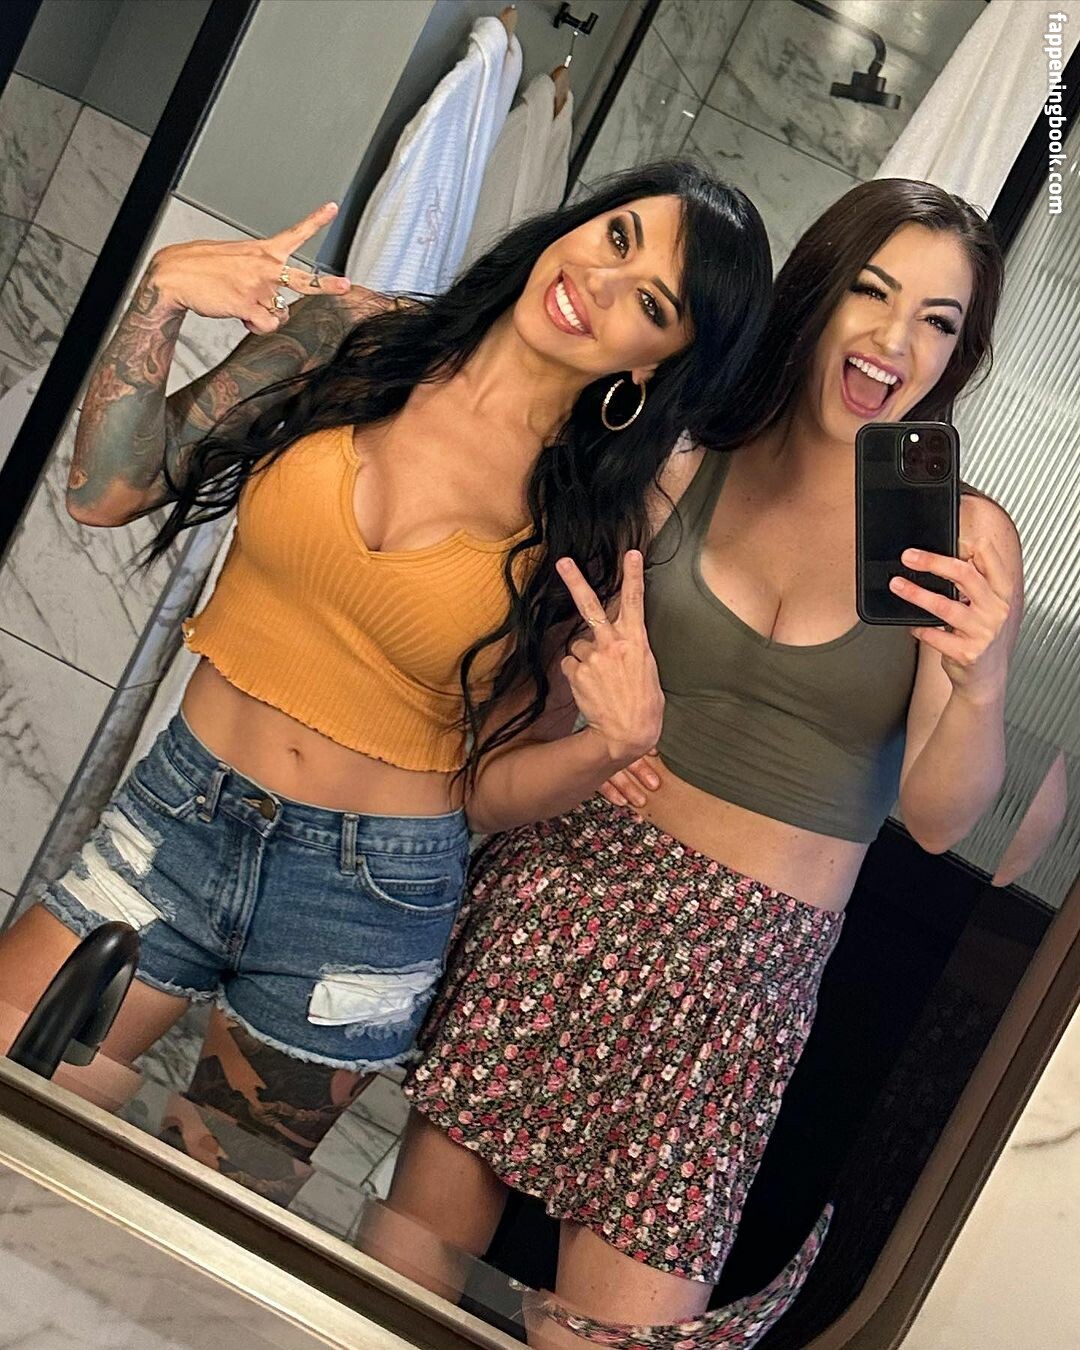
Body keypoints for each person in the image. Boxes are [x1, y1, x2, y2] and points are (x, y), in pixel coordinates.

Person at [0, 164, 772, 1202]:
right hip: (178, 818)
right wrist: (164, 292)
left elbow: (484, 793)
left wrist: (610, 747)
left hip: (368, 902)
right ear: (579, 224)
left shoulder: (593, 523)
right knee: (15, 1114)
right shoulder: (352, 338)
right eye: (619, 237)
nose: (600, 282)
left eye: (651, 303)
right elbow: (108, 491)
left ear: (658, 361)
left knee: (191, 1225)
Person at [372, 179, 1024, 1344]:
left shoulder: (957, 535)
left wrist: (981, 679)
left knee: (609, 1336)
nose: (894, 341)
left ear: (958, 353)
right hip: (566, 894)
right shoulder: (683, 459)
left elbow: (937, 818)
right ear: (817, 297)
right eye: (872, 294)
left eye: (937, 320)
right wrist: (588, 719)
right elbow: (546, 695)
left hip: (740, 986)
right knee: (411, 1263)